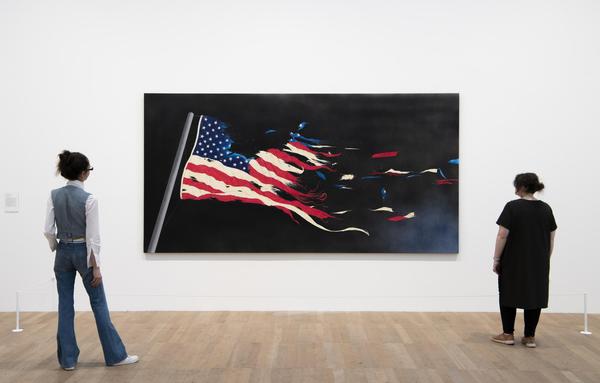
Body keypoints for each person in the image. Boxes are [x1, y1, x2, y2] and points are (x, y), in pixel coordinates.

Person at [43, 150, 138, 370]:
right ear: (84, 173)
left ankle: (67, 361)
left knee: (65, 305)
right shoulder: (89, 199)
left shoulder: (53, 195)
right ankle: (115, 355)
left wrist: (57, 247)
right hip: (84, 253)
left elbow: (48, 230)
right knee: (98, 303)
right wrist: (96, 267)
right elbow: (93, 238)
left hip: (62, 253)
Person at [491, 173, 557, 348]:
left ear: (522, 187)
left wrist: (497, 259)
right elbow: (551, 238)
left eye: (517, 185)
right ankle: (529, 337)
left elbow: (502, 235)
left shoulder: (512, 207)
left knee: (508, 294)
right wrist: (545, 258)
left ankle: (508, 334)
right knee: (534, 295)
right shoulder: (546, 209)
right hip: (539, 261)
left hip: (513, 260)